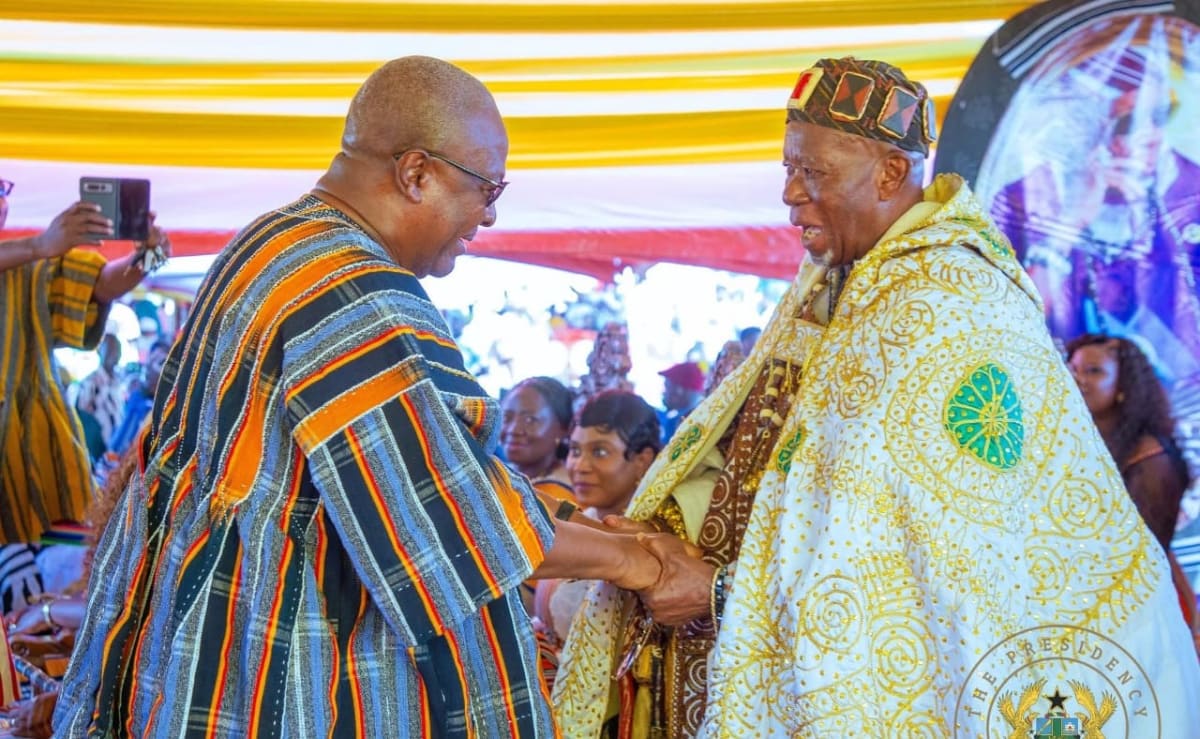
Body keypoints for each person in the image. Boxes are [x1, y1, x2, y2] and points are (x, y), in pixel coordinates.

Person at [554, 56, 1200, 737]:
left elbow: (945, 570)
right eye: (786, 169)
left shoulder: (946, 303)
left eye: (813, 172)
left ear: (891, 173)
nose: (789, 194)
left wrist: (718, 592)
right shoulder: (842, 279)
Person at [54, 57, 675, 738]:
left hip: (181, 654)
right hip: (266, 682)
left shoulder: (268, 242)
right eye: (486, 187)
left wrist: (605, 533)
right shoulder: (355, 292)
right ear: (416, 173)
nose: (490, 213)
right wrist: (631, 558)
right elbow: (448, 512)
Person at [0, 177, 171, 545]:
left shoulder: (32, 268)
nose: (1, 200)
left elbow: (103, 284)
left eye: (2, 189)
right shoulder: (33, 253)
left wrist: (148, 256)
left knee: (38, 590)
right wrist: (38, 245)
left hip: (32, 460)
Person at [534, 391, 661, 695]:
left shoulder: (655, 541)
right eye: (575, 450)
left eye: (600, 452)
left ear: (643, 461)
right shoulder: (573, 520)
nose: (580, 465)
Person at [1066, 334, 1191, 550]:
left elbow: (1145, 548)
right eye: (1073, 369)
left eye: (1093, 371)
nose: (1077, 379)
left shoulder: (1151, 458)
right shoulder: (1079, 443)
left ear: (1125, 384)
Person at [500, 376, 575, 494]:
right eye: (506, 418)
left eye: (529, 420)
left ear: (563, 428)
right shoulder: (493, 476)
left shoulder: (565, 495)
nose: (513, 430)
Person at [103, 339, 170, 459]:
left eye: (160, 363)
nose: (150, 368)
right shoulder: (138, 398)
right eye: (150, 360)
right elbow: (120, 442)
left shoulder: (166, 411)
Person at [75, 333, 127, 459]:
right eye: (110, 350)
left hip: (116, 452)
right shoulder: (90, 384)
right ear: (100, 352)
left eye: (117, 351)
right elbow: (84, 421)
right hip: (97, 453)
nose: (114, 355)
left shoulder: (119, 382)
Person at [657, 361, 704, 443]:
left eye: (666, 386)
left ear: (679, 391)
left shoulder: (678, 424)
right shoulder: (703, 415)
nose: (663, 392)